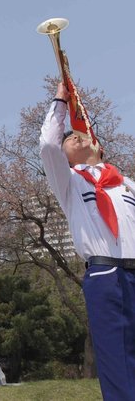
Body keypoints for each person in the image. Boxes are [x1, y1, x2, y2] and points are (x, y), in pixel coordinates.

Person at [40, 82, 135, 399]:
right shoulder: (69, 182)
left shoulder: (126, 185)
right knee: (116, 357)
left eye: (80, 134)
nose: (73, 138)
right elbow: (48, 146)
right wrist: (60, 102)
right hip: (106, 275)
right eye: (69, 138)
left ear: (99, 146)